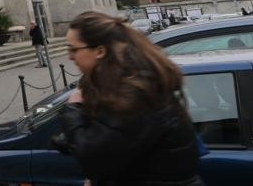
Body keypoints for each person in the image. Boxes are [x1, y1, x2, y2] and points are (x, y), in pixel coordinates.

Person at [51, 11, 204, 186]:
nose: (70, 56)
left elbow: (95, 159)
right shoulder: (119, 83)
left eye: (74, 49)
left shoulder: (135, 93)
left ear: (100, 51)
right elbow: (111, 137)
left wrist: (74, 108)